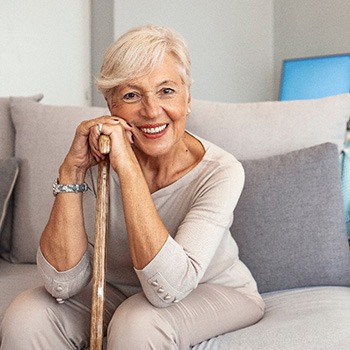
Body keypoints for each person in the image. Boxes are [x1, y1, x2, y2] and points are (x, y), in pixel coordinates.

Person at [0, 25, 264, 349]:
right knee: (26, 316)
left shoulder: (221, 171)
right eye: (131, 95)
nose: (152, 110)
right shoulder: (95, 160)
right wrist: (72, 169)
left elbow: (166, 288)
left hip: (211, 289)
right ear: (111, 106)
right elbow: (61, 284)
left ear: (188, 98)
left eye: (166, 90)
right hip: (116, 289)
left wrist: (127, 168)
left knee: (137, 322)